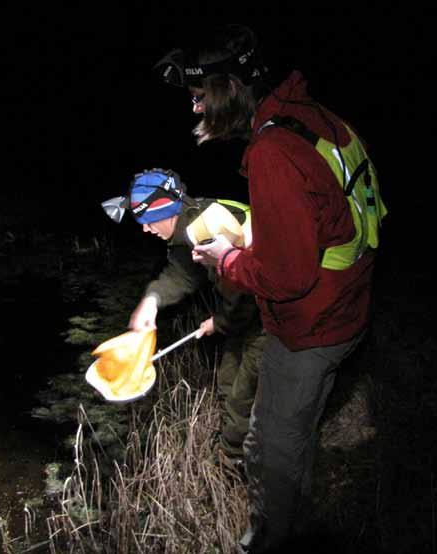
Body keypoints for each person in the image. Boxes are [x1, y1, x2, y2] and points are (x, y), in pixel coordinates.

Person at [154, 25, 387, 553]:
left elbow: (287, 278)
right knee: (293, 432)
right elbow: (329, 216)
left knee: (270, 450)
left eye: (196, 97)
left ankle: (271, 542)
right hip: (349, 307)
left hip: (311, 327)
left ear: (225, 89)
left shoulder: (272, 152)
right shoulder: (317, 119)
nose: (194, 111)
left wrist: (228, 257)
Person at [100, 168, 265, 466]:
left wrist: (220, 322)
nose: (145, 230)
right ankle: (231, 444)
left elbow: (243, 295)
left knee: (244, 394)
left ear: (167, 210)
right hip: (244, 312)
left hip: (271, 314)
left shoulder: (206, 229)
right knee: (227, 380)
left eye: (148, 221)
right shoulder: (187, 222)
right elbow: (182, 273)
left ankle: (235, 461)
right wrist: (151, 301)